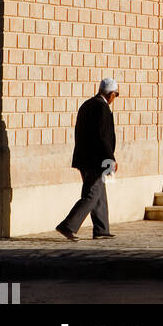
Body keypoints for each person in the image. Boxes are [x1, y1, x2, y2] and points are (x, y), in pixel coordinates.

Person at [56, 77, 119, 241]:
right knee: (92, 194)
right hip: (96, 159)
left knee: (99, 193)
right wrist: (110, 159)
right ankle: (68, 225)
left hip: (84, 158)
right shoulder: (102, 108)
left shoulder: (87, 105)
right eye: (116, 95)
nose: (115, 98)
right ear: (111, 94)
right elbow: (103, 136)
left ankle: (101, 229)